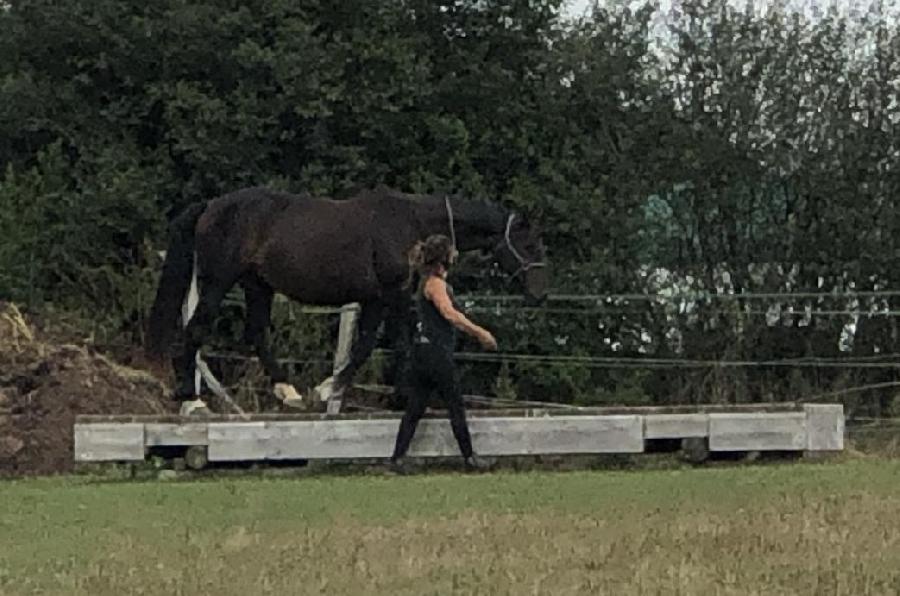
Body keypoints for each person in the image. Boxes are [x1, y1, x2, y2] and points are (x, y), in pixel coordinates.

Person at [389, 234, 497, 473]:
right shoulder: (435, 284)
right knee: (455, 405)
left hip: (421, 353)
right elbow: (449, 314)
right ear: (444, 258)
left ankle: (397, 458)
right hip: (436, 353)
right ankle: (469, 458)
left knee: (415, 409)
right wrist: (480, 333)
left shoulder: (425, 281)